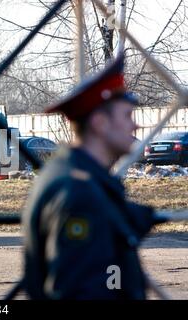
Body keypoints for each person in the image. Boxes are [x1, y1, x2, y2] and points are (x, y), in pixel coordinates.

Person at [23, 54, 156, 300]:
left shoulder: (71, 175)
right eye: (127, 116)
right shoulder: (78, 194)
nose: (135, 127)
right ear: (99, 123)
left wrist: (119, 220)